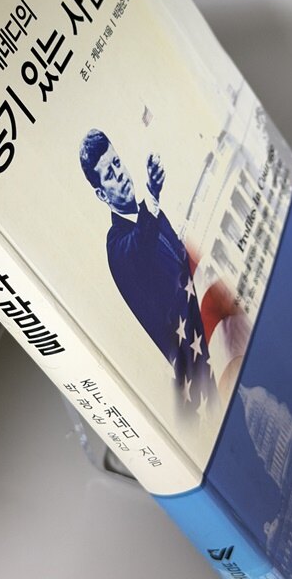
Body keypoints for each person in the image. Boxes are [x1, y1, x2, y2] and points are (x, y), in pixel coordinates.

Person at [79, 129, 214, 409]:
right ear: (101, 194)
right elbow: (140, 246)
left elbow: (181, 260)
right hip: (195, 366)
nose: (120, 175)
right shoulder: (117, 245)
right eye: (110, 174)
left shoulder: (149, 213)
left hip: (208, 333)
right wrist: (152, 194)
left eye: (118, 163)